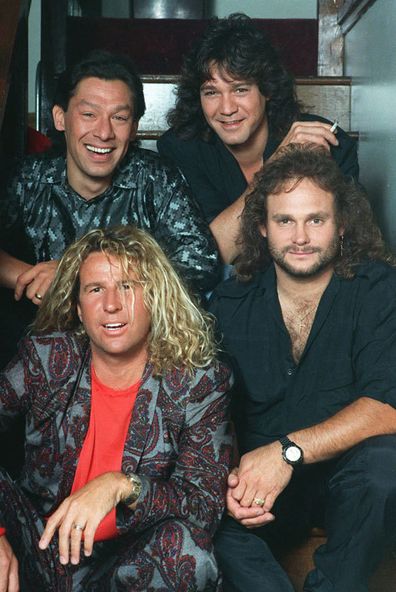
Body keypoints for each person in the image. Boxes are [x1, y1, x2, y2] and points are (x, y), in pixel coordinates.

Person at [0, 225, 232, 591]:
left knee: (189, 551)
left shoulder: (197, 382)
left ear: (154, 296)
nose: (111, 304)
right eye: (96, 289)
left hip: (124, 562)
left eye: (128, 286)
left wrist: (123, 485)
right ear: (78, 306)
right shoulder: (46, 358)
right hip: (36, 546)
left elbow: (203, 505)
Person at [208, 144, 396, 591]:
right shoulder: (232, 303)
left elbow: (388, 408)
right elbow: (206, 410)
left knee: (385, 468)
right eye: (284, 221)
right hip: (258, 490)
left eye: (316, 219)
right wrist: (228, 484)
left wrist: (287, 452)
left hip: (346, 485)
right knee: (198, 504)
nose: (300, 236)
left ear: (342, 223)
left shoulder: (377, 290)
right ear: (262, 228)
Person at [0, 49, 219, 370]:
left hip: (139, 355)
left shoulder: (155, 178)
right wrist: (25, 275)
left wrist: (74, 273)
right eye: (89, 115)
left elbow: (202, 262)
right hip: (46, 352)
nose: (104, 132)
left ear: (134, 128)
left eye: (119, 117)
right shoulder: (29, 177)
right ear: (60, 118)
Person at [158, 13, 359, 264]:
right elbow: (208, 256)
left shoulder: (324, 141)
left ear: (267, 90)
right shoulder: (181, 149)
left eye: (240, 89)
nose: (226, 108)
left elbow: (350, 249)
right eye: (211, 92)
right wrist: (274, 168)